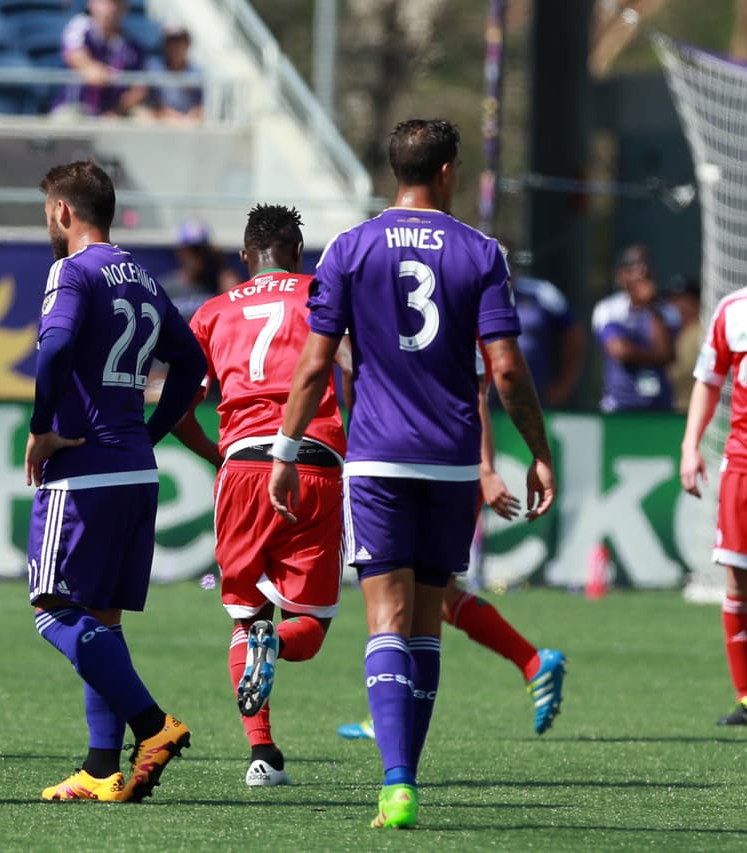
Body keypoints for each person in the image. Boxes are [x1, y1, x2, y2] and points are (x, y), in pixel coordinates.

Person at [268, 119, 555, 829]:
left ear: (396, 169)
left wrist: (285, 448)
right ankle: (407, 774)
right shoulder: (481, 251)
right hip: (453, 461)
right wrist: (538, 448)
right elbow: (508, 368)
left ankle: (397, 783)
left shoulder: (349, 247)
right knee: (427, 621)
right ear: (451, 171)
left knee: (386, 621)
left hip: (378, 457)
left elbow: (314, 362)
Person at [27, 160, 205, 802]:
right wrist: (151, 432)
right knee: (101, 619)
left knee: (53, 609)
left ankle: (154, 726)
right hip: (134, 467)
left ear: (64, 213)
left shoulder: (71, 270)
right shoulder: (143, 276)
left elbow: (54, 347)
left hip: (84, 470)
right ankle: (102, 768)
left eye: (48, 210)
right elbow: (191, 363)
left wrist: (41, 425)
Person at [171, 204, 346, 788]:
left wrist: (220, 457)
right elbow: (356, 365)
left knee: (247, 618)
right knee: (311, 628)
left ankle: (262, 755)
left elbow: (174, 410)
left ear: (246, 257)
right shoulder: (323, 293)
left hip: (242, 468)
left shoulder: (215, 311)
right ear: (298, 253)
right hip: (312, 461)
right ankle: (276, 648)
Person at [337, 345, 568, 740]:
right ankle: (528, 664)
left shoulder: (459, 292)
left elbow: (475, 394)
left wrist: (487, 469)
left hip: (440, 463)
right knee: (433, 596)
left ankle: (528, 662)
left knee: (414, 594)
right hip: (429, 457)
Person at [680, 212, 747, 728]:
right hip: (746, 465)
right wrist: (691, 446)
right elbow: (708, 381)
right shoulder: (733, 312)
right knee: (739, 582)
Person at [591, 244, 680, 413]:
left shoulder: (667, 312)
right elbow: (620, 351)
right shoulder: (608, 309)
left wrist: (650, 308)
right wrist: (655, 356)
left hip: (660, 406)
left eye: (646, 264)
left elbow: (667, 354)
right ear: (621, 275)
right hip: (619, 405)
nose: (642, 271)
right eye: (634, 265)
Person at [54, 0, 146, 118]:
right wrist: (105, 74)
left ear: (125, 8)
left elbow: (139, 88)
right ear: (91, 3)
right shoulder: (79, 27)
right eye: (105, 2)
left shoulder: (133, 46)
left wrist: (117, 111)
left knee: (144, 117)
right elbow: (80, 61)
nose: (111, 9)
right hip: (76, 106)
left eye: (116, 3)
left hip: (115, 111)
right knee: (67, 118)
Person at [508, 272, 584, 408]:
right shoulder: (470, 290)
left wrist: (564, 386)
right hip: (486, 397)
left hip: (536, 397)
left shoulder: (543, 291)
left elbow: (573, 333)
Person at [148, 23, 202, 123]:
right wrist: (167, 114)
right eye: (171, 43)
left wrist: (189, 117)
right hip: (160, 121)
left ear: (187, 44)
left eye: (179, 42)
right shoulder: (153, 68)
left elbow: (200, 105)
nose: (175, 47)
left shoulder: (196, 73)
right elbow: (151, 103)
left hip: (188, 122)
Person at [668, 275, 703, 412]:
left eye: (680, 300)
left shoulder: (701, 332)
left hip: (692, 409)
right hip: (667, 409)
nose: (673, 304)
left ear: (694, 303)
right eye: (672, 299)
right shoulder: (669, 331)